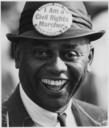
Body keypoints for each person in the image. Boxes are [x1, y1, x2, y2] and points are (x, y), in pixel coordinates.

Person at [2, 1, 107, 127]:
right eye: (41, 53)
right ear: (18, 55)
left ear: (89, 59)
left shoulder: (102, 120)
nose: (57, 67)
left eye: (70, 54)